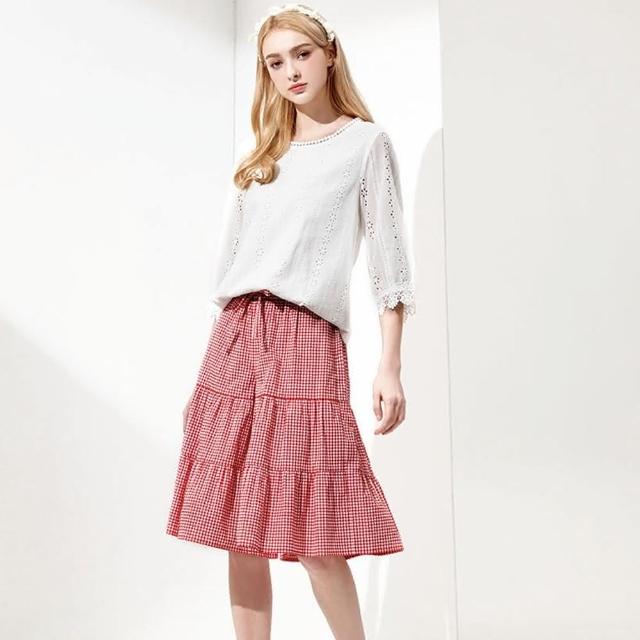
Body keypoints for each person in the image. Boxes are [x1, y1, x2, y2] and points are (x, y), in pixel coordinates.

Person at [166, 3, 416, 638]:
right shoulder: (261, 154)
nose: (291, 72)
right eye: (275, 63)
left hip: (307, 337)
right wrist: (206, 373)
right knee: (239, 531)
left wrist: (389, 365)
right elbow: (230, 271)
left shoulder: (365, 144)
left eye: (301, 54)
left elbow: (389, 264)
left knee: (316, 533)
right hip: (235, 339)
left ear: (329, 54)